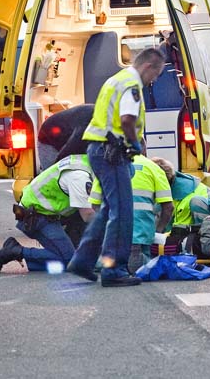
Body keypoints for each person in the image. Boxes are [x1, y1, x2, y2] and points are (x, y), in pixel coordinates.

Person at [67, 48, 165, 287]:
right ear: (148, 67)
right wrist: (134, 144)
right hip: (112, 152)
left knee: (110, 210)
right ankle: (114, 270)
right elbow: (127, 120)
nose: (154, 80)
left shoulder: (115, 79)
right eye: (157, 74)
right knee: (122, 213)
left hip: (98, 149)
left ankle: (83, 260)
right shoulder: (132, 86)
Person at [0, 154, 97, 273]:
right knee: (70, 261)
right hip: (35, 217)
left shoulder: (87, 162)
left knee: (78, 259)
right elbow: (87, 215)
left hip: (48, 215)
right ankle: (16, 251)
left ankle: (37, 261)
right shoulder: (79, 177)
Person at [88, 155, 174, 274]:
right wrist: (159, 230)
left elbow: (95, 204)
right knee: (142, 271)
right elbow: (168, 207)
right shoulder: (153, 168)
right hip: (141, 233)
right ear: (143, 148)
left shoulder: (106, 167)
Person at [37, 104, 95, 170]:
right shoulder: (88, 123)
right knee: (54, 174)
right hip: (49, 141)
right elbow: (70, 150)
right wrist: (57, 169)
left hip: (65, 135)